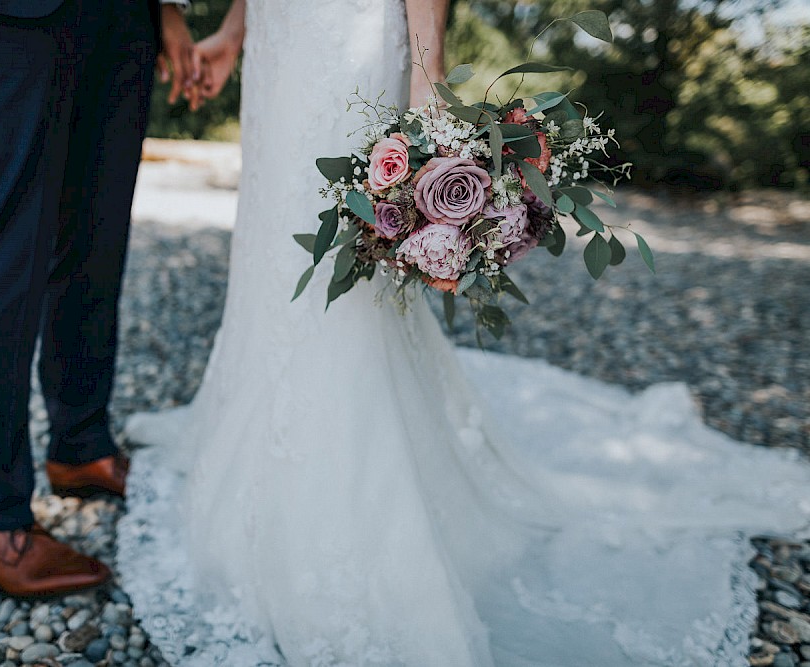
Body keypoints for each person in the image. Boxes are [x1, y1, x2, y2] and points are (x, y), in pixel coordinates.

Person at [117, 1, 810, 665]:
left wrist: (427, 73)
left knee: (345, 269)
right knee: (278, 254)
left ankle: (343, 513)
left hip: (352, 35)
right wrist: (238, 28)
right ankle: (266, 463)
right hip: (281, 44)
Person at [0, 0, 197, 597]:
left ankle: (81, 444)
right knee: (5, 247)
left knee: (97, 236)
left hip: (124, 12)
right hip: (0, 8)